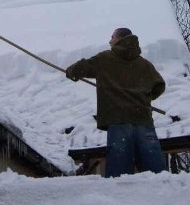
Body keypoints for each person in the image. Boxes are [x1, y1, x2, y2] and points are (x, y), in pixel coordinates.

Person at [66, 27, 166, 177]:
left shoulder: (105, 59)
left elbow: (80, 68)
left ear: (119, 39)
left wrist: (70, 71)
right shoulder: (145, 65)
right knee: (157, 176)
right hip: (144, 122)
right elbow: (159, 85)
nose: (109, 41)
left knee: (118, 177)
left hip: (119, 123)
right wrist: (144, 98)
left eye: (112, 37)